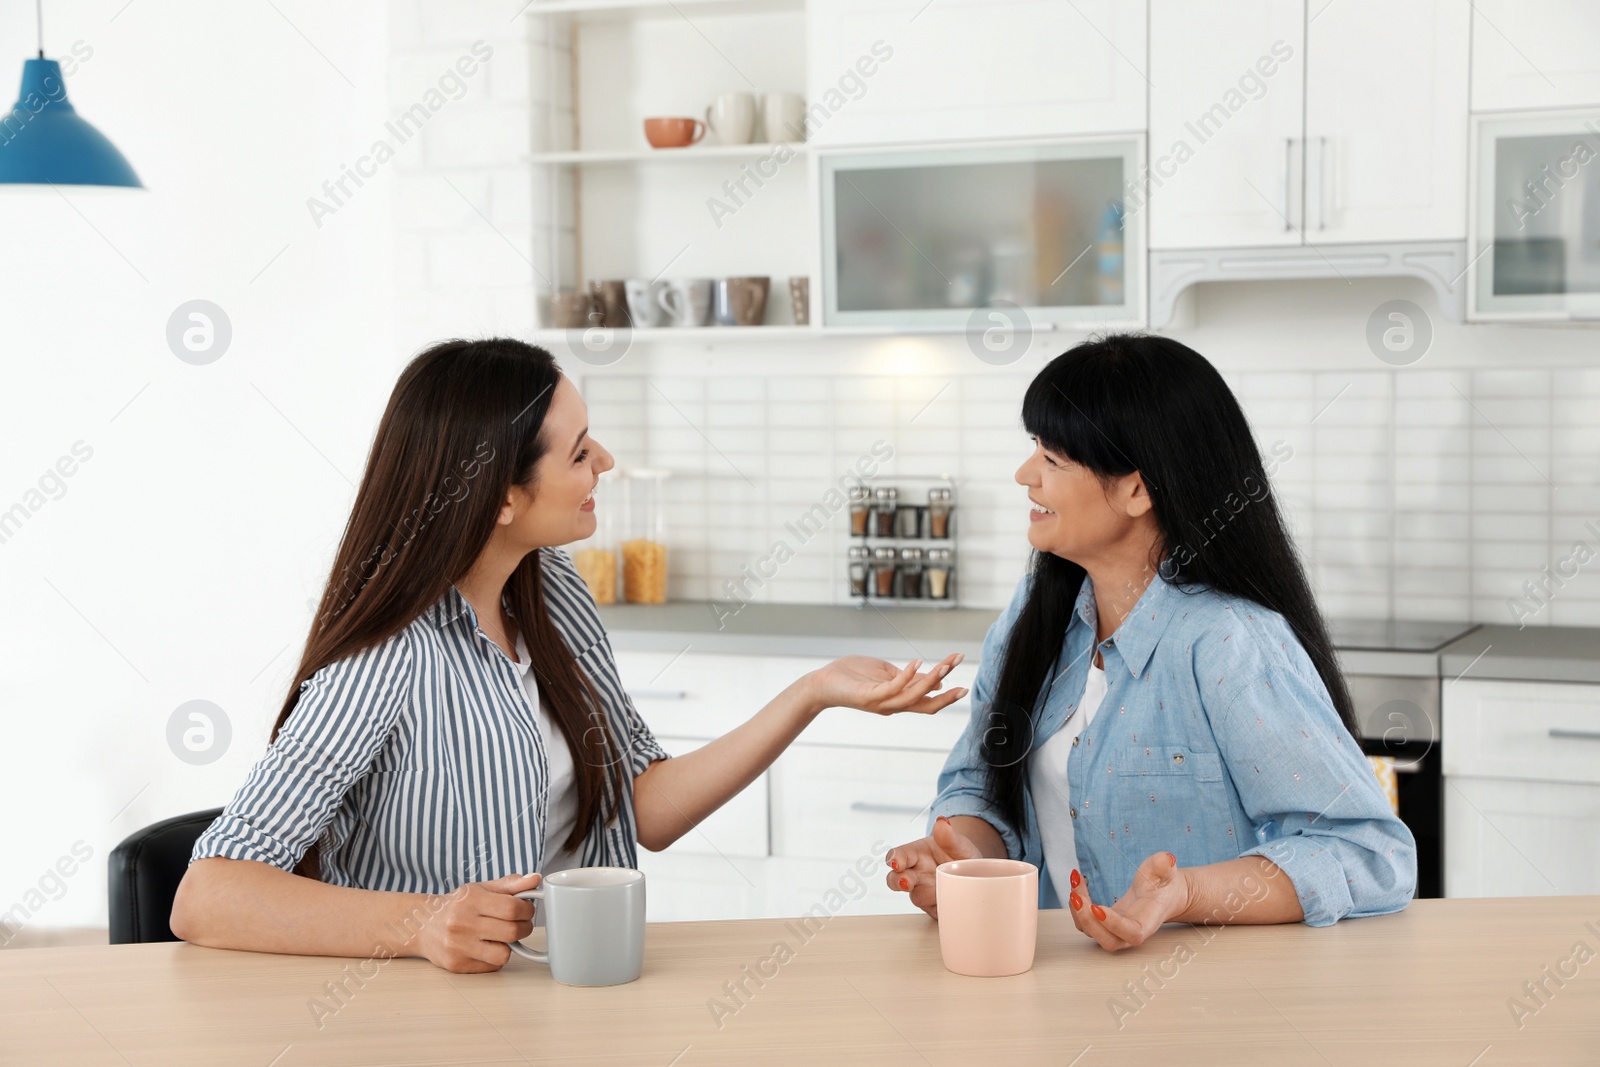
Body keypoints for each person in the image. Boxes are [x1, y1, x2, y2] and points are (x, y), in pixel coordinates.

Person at [171, 338, 967, 972]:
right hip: (425, 1021)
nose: (606, 464)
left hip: (563, 994)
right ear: (502, 496)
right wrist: (422, 924)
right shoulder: (388, 656)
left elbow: (644, 806)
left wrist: (813, 691)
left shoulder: (548, 591)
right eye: (580, 452)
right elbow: (207, 894)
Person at [884, 333, 1415, 951]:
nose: (1025, 475)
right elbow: (978, 788)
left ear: (1138, 489)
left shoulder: (1228, 643)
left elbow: (1369, 853)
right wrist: (963, 858)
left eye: (1053, 459)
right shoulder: (1033, 623)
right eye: (1034, 448)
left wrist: (1186, 893)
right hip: (1066, 996)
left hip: (1217, 1009)